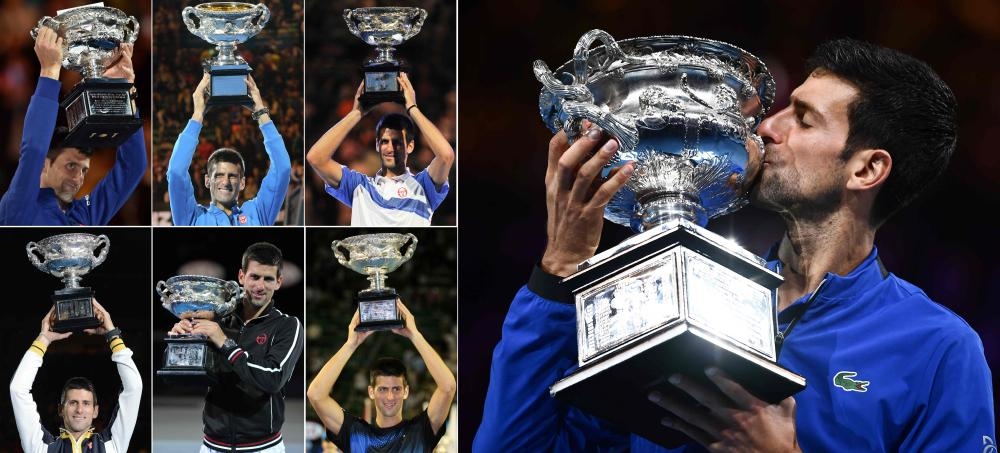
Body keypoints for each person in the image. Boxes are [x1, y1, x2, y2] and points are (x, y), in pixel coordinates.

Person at [474, 38, 995, 451]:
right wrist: (557, 273)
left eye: (803, 118)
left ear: (867, 168)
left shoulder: (937, 349)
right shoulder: (667, 301)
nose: (767, 127)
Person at [0, 25, 148, 225]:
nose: (78, 178)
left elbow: (133, 165)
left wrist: (124, 92)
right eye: (71, 166)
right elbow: (34, 149)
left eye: (83, 170)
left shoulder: (83, 214)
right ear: (44, 166)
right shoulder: (17, 207)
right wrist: (49, 72)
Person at [169, 242, 304, 452]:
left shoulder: (287, 325)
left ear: (278, 282)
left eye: (268, 279)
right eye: (254, 277)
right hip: (212, 445)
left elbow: (274, 377)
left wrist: (225, 343)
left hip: (263, 448)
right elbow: (178, 380)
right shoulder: (218, 321)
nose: (260, 286)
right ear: (241, 277)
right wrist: (182, 343)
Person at [307, 300, 456, 452]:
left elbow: (448, 387)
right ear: (371, 391)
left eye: (396, 389)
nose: (390, 397)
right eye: (383, 389)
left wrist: (415, 336)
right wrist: (351, 344)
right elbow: (315, 395)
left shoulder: (421, 431)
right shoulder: (356, 434)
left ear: (406, 391)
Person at [306, 73, 454, 226]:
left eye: (396, 142)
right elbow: (316, 158)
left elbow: (446, 156)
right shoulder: (359, 187)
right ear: (377, 145)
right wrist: (356, 113)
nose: (390, 148)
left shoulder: (424, 186)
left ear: (410, 146)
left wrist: (412, 108)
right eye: (384, 142)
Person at [10, 301, 142, 452]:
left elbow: (134, 388)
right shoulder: (42, 448)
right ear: (60, 409)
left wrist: (112, 335)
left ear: (95, 411)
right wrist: (43, 339)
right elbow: (17, 390)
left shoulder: (111, 445)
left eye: (86, 403)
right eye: (73, 403)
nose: (79, 410)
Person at [167, 73, 291, 225]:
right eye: (219, 175)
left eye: (232, 176)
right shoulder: (192, 218)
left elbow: (282, 168)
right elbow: (176, 172)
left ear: (242, 182)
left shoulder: (258, 214)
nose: (226, 182)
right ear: (207, 180)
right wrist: (197, 114)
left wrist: (260, 112)